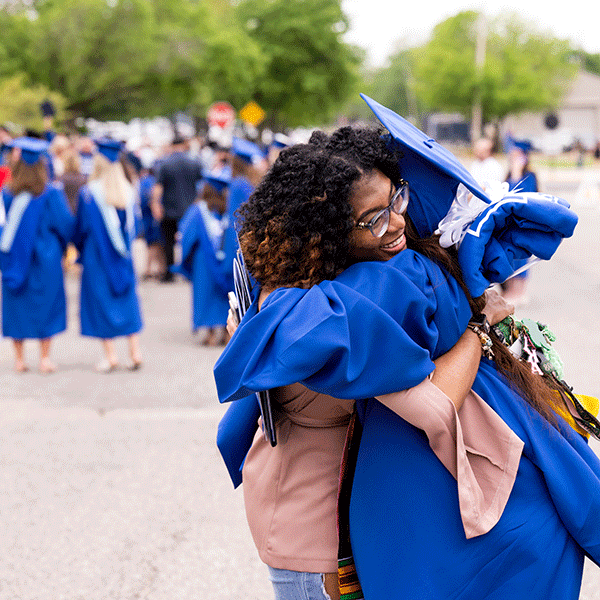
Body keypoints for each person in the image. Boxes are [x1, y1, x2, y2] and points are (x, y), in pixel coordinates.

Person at [215, 97, 600, 600]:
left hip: (339, 526)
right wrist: (477, 326)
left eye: (396, 199)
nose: (396, 223)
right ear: (329, 231)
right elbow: (435, 406)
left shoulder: (317, 283)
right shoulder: (325, 311)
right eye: (372, 219)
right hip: (318, 542)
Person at [0, 137, 75, 373]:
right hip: (46, 258)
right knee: (46, 304)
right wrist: (63, 247)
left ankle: (20, 359)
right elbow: (65, 225)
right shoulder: (50, 194)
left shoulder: (7, 194)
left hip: (15, 258)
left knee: (17, 304)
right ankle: (44, 358)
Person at [72, 139, 143, 372]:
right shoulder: (129, 191)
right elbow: (136, 226)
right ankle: (135, 353)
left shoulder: (89, 194)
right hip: (124, 256)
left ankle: (111, 356)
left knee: (102, 302)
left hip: (97, 256)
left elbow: (81, 228)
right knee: (126, 299)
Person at [173, 172, 232, 345]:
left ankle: (211, 334)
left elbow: (186, 236)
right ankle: (227, 332)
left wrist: (185, 258)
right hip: (227, 261)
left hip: (204, 262)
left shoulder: (198, 210)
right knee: (225, 296)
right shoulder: (229, 209)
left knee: (206, 294)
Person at [150, 136, 203, 282]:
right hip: (190, 210)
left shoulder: (165, 164)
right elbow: (202, 187)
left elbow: (158, 188)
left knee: (168, 242)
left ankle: (169, 273)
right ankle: (189, 271)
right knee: (190, 240)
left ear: (172, 145)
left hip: (170, 209)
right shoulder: (194, 163)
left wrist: (155, 205)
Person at [502, 138, 539, 305]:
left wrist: (517, 173)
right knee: (509, 257)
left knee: (521, 257)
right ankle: (511, 290)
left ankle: (519, 292)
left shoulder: (530, 176)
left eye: (517, 156)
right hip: (509, 224)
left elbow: (521, 198)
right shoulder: (509, 175)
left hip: (523, 224)